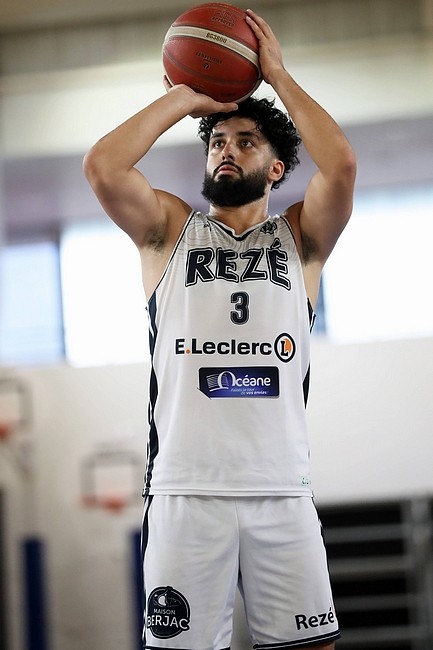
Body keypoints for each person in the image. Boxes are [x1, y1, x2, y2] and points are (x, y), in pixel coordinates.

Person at [83, 8, 356, 650]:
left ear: (277, 168)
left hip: (280, 491)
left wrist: (277, 76)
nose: (226, 149)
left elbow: (341, 166)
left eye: (245, 142)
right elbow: (103, 167)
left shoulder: (300, 239)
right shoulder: (168, 230)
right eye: (216, 142)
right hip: (185, 492)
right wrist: (184, 97)